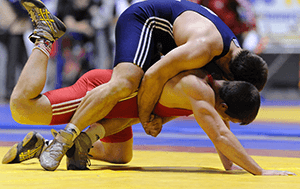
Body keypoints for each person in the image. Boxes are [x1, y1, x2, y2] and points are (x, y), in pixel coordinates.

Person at [5, 12, 294, 175]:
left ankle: (43, 145)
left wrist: (230, 166)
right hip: (102, 92)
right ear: (225, 105)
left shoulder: (212, 89)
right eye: (228, 116)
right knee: (22, 108)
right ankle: (44, 36)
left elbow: (222, 131)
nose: (224, 120)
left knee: (120, 156)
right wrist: (259, 171)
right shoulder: (200, 87)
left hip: (118, 113)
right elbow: (221, 135)